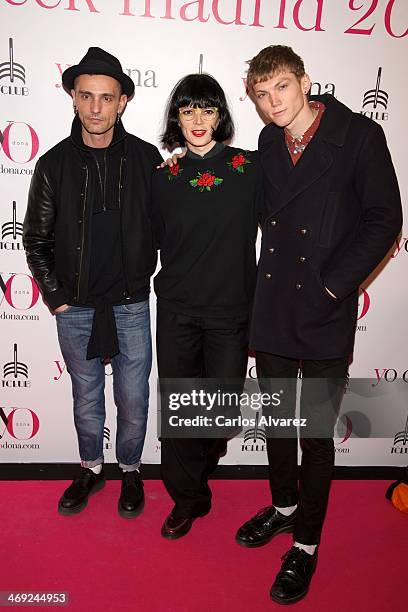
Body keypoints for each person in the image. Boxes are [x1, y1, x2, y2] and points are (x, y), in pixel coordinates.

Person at [235, 45, 402, 604]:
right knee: (279, 421)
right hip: (276, 300)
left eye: (280, 87)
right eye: (261, 94)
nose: (271, 102)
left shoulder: (358, 136)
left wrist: (336, 286)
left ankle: (306, 544)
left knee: (314, 431)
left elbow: (385, 219)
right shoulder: (264, 142)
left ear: (305, 81)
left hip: (325, 304)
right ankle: (284, 508)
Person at [23, 47, 162, 518]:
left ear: (123, 101)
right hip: (76, 307)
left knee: (134, 396)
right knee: (86, 397)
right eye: (87, 96)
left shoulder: (147, 159)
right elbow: (36, 239)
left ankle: (130, 470)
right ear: (74, 99)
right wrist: (57, 298)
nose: (97, 108)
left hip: (131, 304)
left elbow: (171, 228)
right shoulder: (53, 164)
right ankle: (90, 468)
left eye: (107, 97)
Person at [152, 73, 262, 539]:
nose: (198, 120)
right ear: (176, 118)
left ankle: (202, 459)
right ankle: (188, 499)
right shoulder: (164, 178)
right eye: (188, 110)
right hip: (177, 308)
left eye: (208, 109)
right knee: (181, 409)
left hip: (230, 312)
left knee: (220, 413)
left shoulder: (250, 169)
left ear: (222, 115)